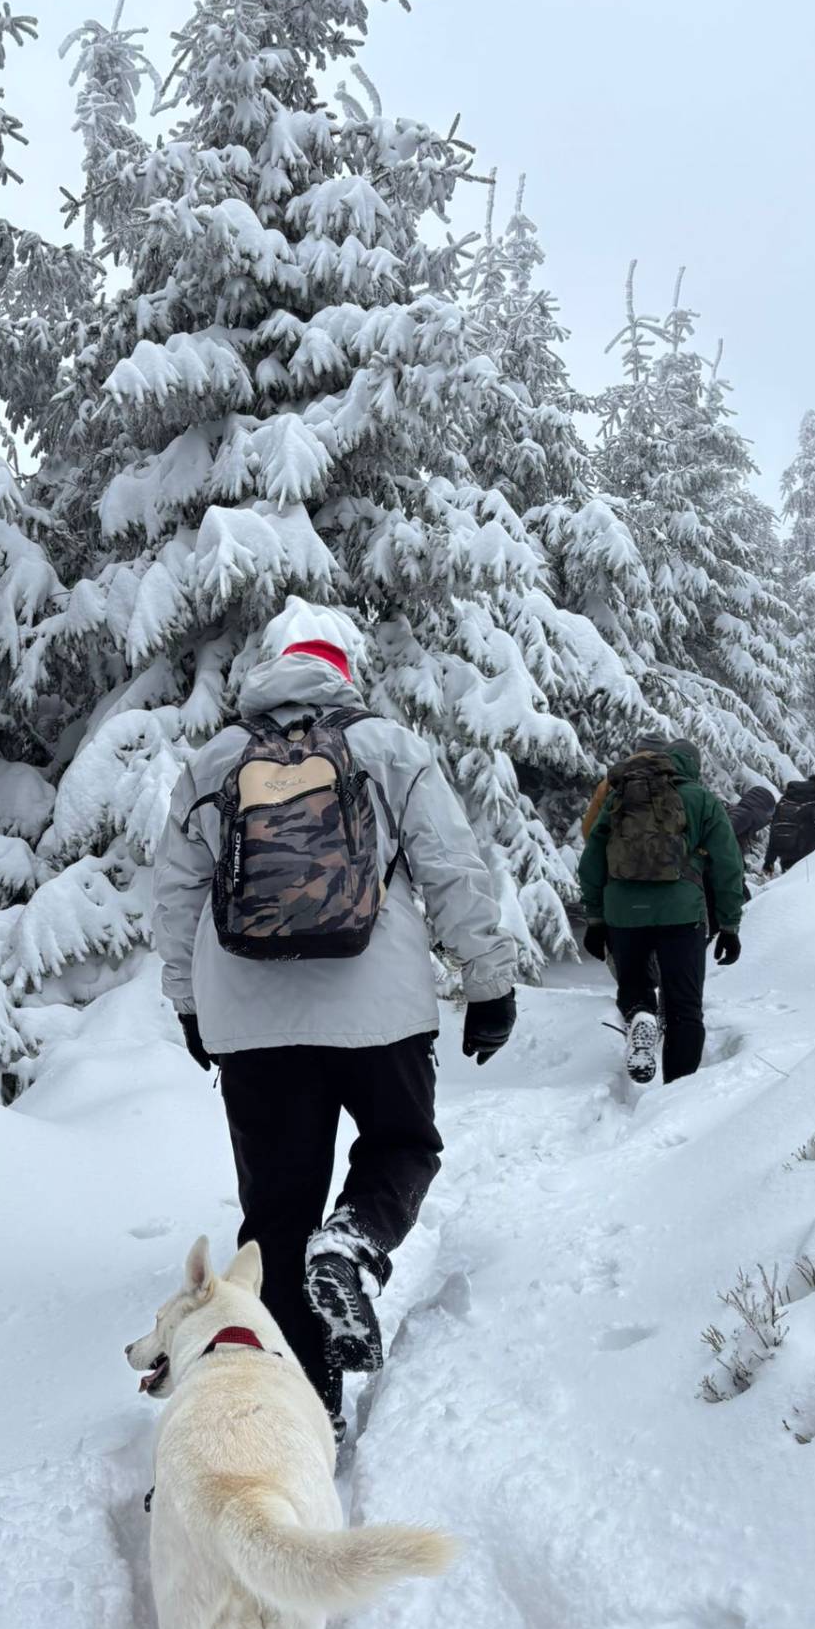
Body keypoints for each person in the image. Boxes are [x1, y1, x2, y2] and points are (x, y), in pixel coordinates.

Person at [153, 616, 519, 1439]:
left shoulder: (216, 761)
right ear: (343, 675)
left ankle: (308, 1414)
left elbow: (175, 897)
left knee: (276, 1218)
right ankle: (353, 1245)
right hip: (378, 1012)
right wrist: (487, 980)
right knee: (402, 1146)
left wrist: (189, 1002)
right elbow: (451, 866)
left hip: (250, 1022)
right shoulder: (388, 746)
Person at [578, 740, 744, 1086]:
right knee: (685, 1009)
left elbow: (592, 858)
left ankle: (641, 1014)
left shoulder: (622, 794)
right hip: (682, 913)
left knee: (635, 985)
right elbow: (729, 866)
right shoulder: (702, 799)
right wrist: (729, 925)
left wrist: (595, 917)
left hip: (623, 912)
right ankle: (676, 1094)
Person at [763, 773, 815, 876]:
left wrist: (769, 861)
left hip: (787, 862)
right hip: (813, 862)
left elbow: (774, 831)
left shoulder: (785, 801)